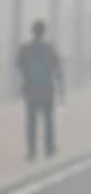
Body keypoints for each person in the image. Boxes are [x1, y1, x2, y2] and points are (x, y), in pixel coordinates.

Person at [16, 20, 63, 160]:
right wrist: (61, 89)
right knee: (48, 119)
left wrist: (25, 81)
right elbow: (57, 68)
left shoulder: (25, 49)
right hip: (47, 89)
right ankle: (49, 148)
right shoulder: (50, 48)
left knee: (31, 121)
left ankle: (31, 151)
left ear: (33, 31)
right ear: (43, 31)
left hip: (31, 90)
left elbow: (19, 65)